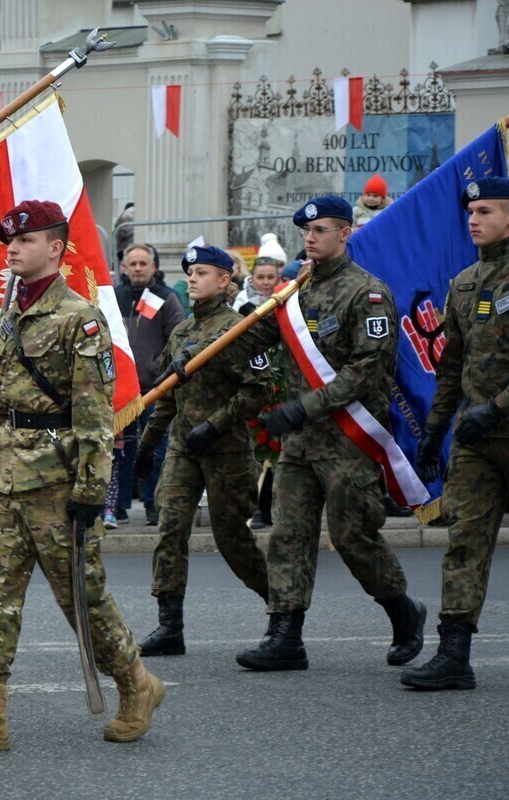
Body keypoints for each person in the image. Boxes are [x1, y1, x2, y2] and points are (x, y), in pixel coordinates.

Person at [0, 201, 162, 752]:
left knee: (82, 597)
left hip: (57, 484)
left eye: (26, 241)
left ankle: (135, 682)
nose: (13, 249)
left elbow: (96, 416)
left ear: (55, 248)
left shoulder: (80, 316)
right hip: (6, 478)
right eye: (9, 241)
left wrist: (89, 490)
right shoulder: (12, 308)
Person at [235, 195, 427, 672]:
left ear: (345, 234)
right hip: (301, 443)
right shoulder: (295, 290)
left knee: (353, 536)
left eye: (320, 230)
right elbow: (259, 338)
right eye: (306, 231)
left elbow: (367, 370)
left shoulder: (368, 293)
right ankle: (285, 635)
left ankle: (404, 611)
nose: (310, 238)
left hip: (347, 439)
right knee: (287, 536)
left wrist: (304, 406)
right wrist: (208, 347)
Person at [135, 245, 272, 657]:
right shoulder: (180, 332)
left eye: (203, 272)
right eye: (190, 272)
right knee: (170, 528)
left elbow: (258, 390)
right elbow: (165, 396)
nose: (193, 278)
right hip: (182, 447)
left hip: (225, 450)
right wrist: (148, 444)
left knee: (232, 538)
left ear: (225, 280)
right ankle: (169, 625)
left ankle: (282, 607)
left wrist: (215, 425)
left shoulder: (240, 328)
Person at [402, 177, 509, 690]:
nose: (473, 219)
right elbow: (451, 364)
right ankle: (454, 654)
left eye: (485, 210)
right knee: (464, 540)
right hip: (476, 440)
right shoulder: (464, 283)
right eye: (471, 211)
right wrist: (435, 428)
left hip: (497, 420)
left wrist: (499, 407)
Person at [115, 243, 185, 525]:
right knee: (121, 451)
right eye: (133, 264)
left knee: (156, 450)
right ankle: (117, 508)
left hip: (154, 389)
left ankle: (153, 506)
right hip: (121, 390)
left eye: (143, 263)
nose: (138, 268)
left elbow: (178, 338)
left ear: (154, 267)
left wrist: (158, 368)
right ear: (124, 267)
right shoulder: (114, 298)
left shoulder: (167, 299)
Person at [234, 233, 285, 313]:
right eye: (260, 277)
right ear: (252, 279)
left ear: (278, 278)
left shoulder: (286, 295)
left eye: (271, 277)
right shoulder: (243, 298)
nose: (266, 282)